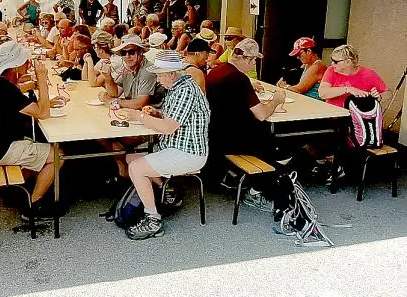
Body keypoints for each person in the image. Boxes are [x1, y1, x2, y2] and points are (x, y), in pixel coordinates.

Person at [118, 50, 210, 239]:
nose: (158, 80)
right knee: (130, 157)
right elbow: (175, 118)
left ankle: (153, 219)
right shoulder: (178, 87)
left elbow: (169, 127)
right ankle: (165, 189)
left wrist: (140, 117)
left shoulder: (185, 90)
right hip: (175, 147)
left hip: (188, 153)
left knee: (136, 168)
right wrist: (157, 113)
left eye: (160, 75)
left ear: (172, 73)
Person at [0, 41, 57, 218]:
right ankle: (34, 205)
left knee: (36, 144)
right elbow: (43, 113)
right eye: (25, 61)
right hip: (0, 150)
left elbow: (18, 94)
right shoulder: (6, 90)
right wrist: (41, 80)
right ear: (15, 67)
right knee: (57, 156)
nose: (28, 63)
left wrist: (41, 94)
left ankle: (10, 190)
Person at [205, 39, 285, 209]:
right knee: (274, 142)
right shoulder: (239, 79)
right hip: (236, 139)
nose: (254, 64)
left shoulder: (217, 71)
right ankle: (258, 190)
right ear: (247, 59)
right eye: (254, 60)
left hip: (216, 134)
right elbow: (261, 114)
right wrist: (276, 101)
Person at [98, 34, 159, 177]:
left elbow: (139, 103)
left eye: (131, 52)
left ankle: (127, 173)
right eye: (123, 53)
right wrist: (107, 78)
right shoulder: (128, 69)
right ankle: (124, 170)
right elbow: (115, 92)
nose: (127, 56)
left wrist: (112, 101)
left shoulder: (147, 71)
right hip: (132, 118)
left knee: (115, 143)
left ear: (141, 52)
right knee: (101, 138)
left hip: (150, 122)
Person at [318, 44, 387, 108]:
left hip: (358, 114)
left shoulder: (368, 74)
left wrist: (379, 96)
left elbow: (387, 93)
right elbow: (322, 93)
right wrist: (348, 89)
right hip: (334, 113)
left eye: (335, 62)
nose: (332, 64)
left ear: (348, 62)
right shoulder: (331, 70)